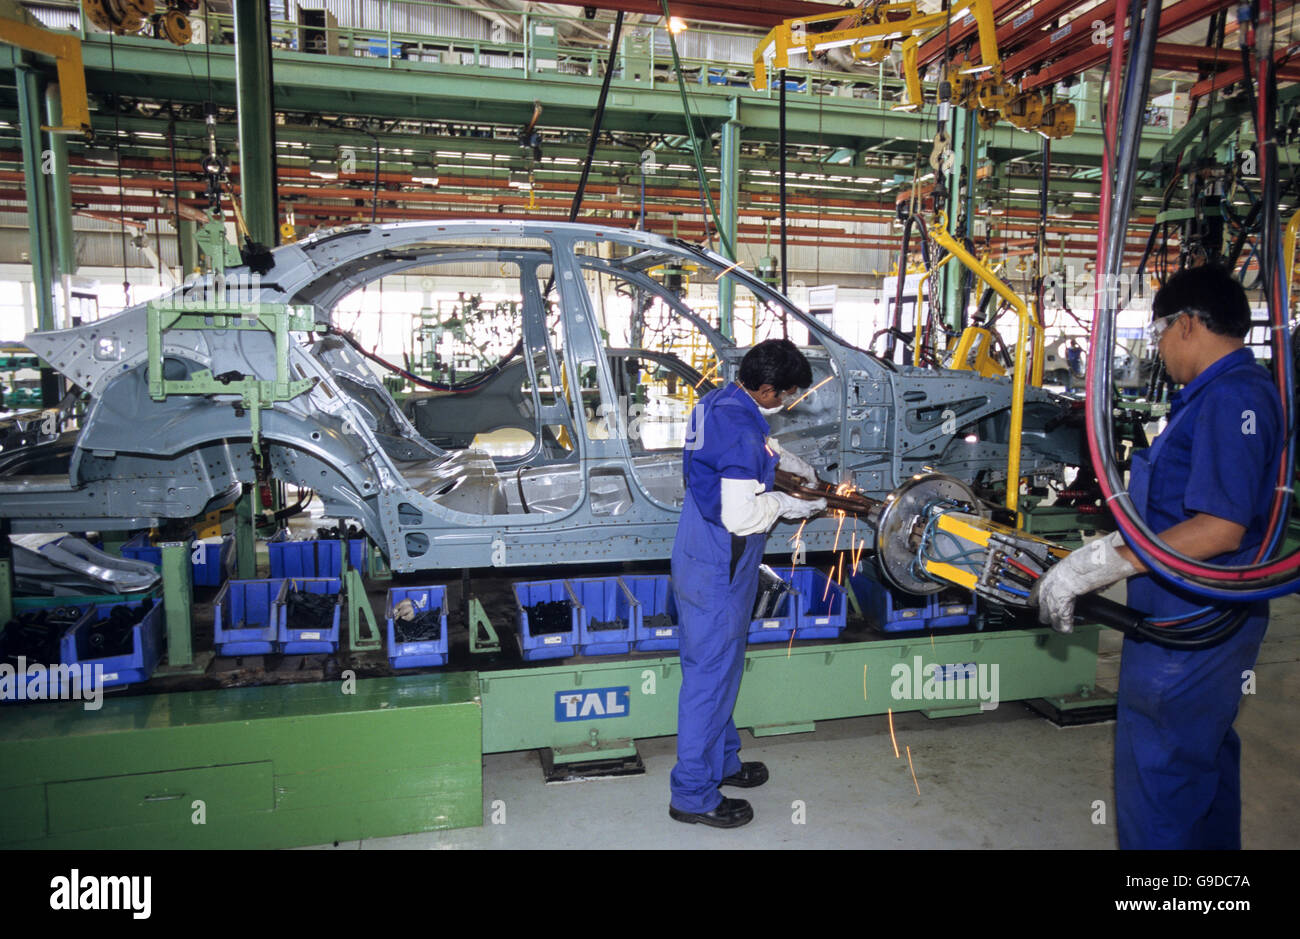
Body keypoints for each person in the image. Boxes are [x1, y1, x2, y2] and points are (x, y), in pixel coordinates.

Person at [1033, 264, 1282, 850]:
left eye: (1160, 332)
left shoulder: (1233, 398)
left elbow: (1219, 528)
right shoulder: (1217, 396)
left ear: (1189, 325)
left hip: (1192, 625)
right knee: (1203, 761)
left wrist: (1101, 563)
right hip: (1191, 617)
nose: (1158, 349)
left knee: (1162, 776)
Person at [668, 339, 827, 828]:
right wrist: (790, 504)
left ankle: (724, 761)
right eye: (786, 394)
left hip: (705, 547)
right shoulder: (738, 427)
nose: (787, 402)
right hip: (720, 557)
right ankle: (692, 795)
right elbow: (741, 516)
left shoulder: (720, 400)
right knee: (709, 676)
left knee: (724, 665)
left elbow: (756, 450)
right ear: (765, 388)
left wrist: (788, 466)